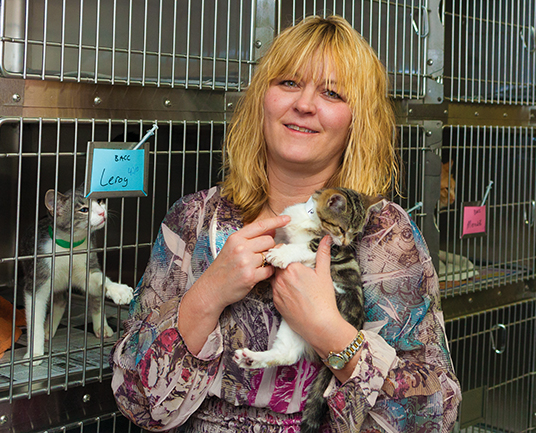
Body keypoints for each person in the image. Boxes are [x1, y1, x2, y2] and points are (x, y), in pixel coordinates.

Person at [111, 15, 461, 432]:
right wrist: (208, 293)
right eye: (290, 83)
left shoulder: (386, 235)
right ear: (264, 97)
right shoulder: (193, 219)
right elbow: (134, 400)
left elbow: (434, 415)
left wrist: (330, 333)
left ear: (356, 120)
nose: (305, 105)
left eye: (331, 92)